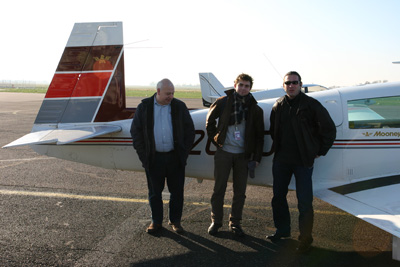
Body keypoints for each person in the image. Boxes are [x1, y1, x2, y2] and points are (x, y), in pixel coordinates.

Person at [267, 71, 336, 253]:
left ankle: (305, 238)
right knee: (278, 198)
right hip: (281, 159)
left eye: (295, 82)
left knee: (304, 202)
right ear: (283, 85)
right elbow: (274, 129)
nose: (291, 85)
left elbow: (329, 129)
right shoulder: (278, 105)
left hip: (303, 160)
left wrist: (320, 151)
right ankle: (282, 230)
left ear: (300, 84)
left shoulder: (311, 104)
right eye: (288, 83)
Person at [130, 78, 195, 234]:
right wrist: (144, 157)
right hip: (154, 159)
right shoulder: (144, 107)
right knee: (154, 193)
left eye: (172, 93)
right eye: (167, 93)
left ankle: (175, 221)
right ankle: (156, 222)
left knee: (177, 192)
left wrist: (183, 154)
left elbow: (189, 131)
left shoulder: (179, 106)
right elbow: (136, 132)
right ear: (158, 91)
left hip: (175, 158)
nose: (170, 96)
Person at [206, 73, 264, 236]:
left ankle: (235, 222)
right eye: (241, 85)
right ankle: (216, 221)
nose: (243, 88)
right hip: (224, 152)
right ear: (235, 85)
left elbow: (260, 136)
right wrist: (216, 140)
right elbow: (209, 122)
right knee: (219, 189)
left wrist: (256, 158)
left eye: (247, 86)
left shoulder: (255, 108)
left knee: (240, 192)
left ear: (250, 88)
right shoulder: (223, 102)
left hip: (243, 156)